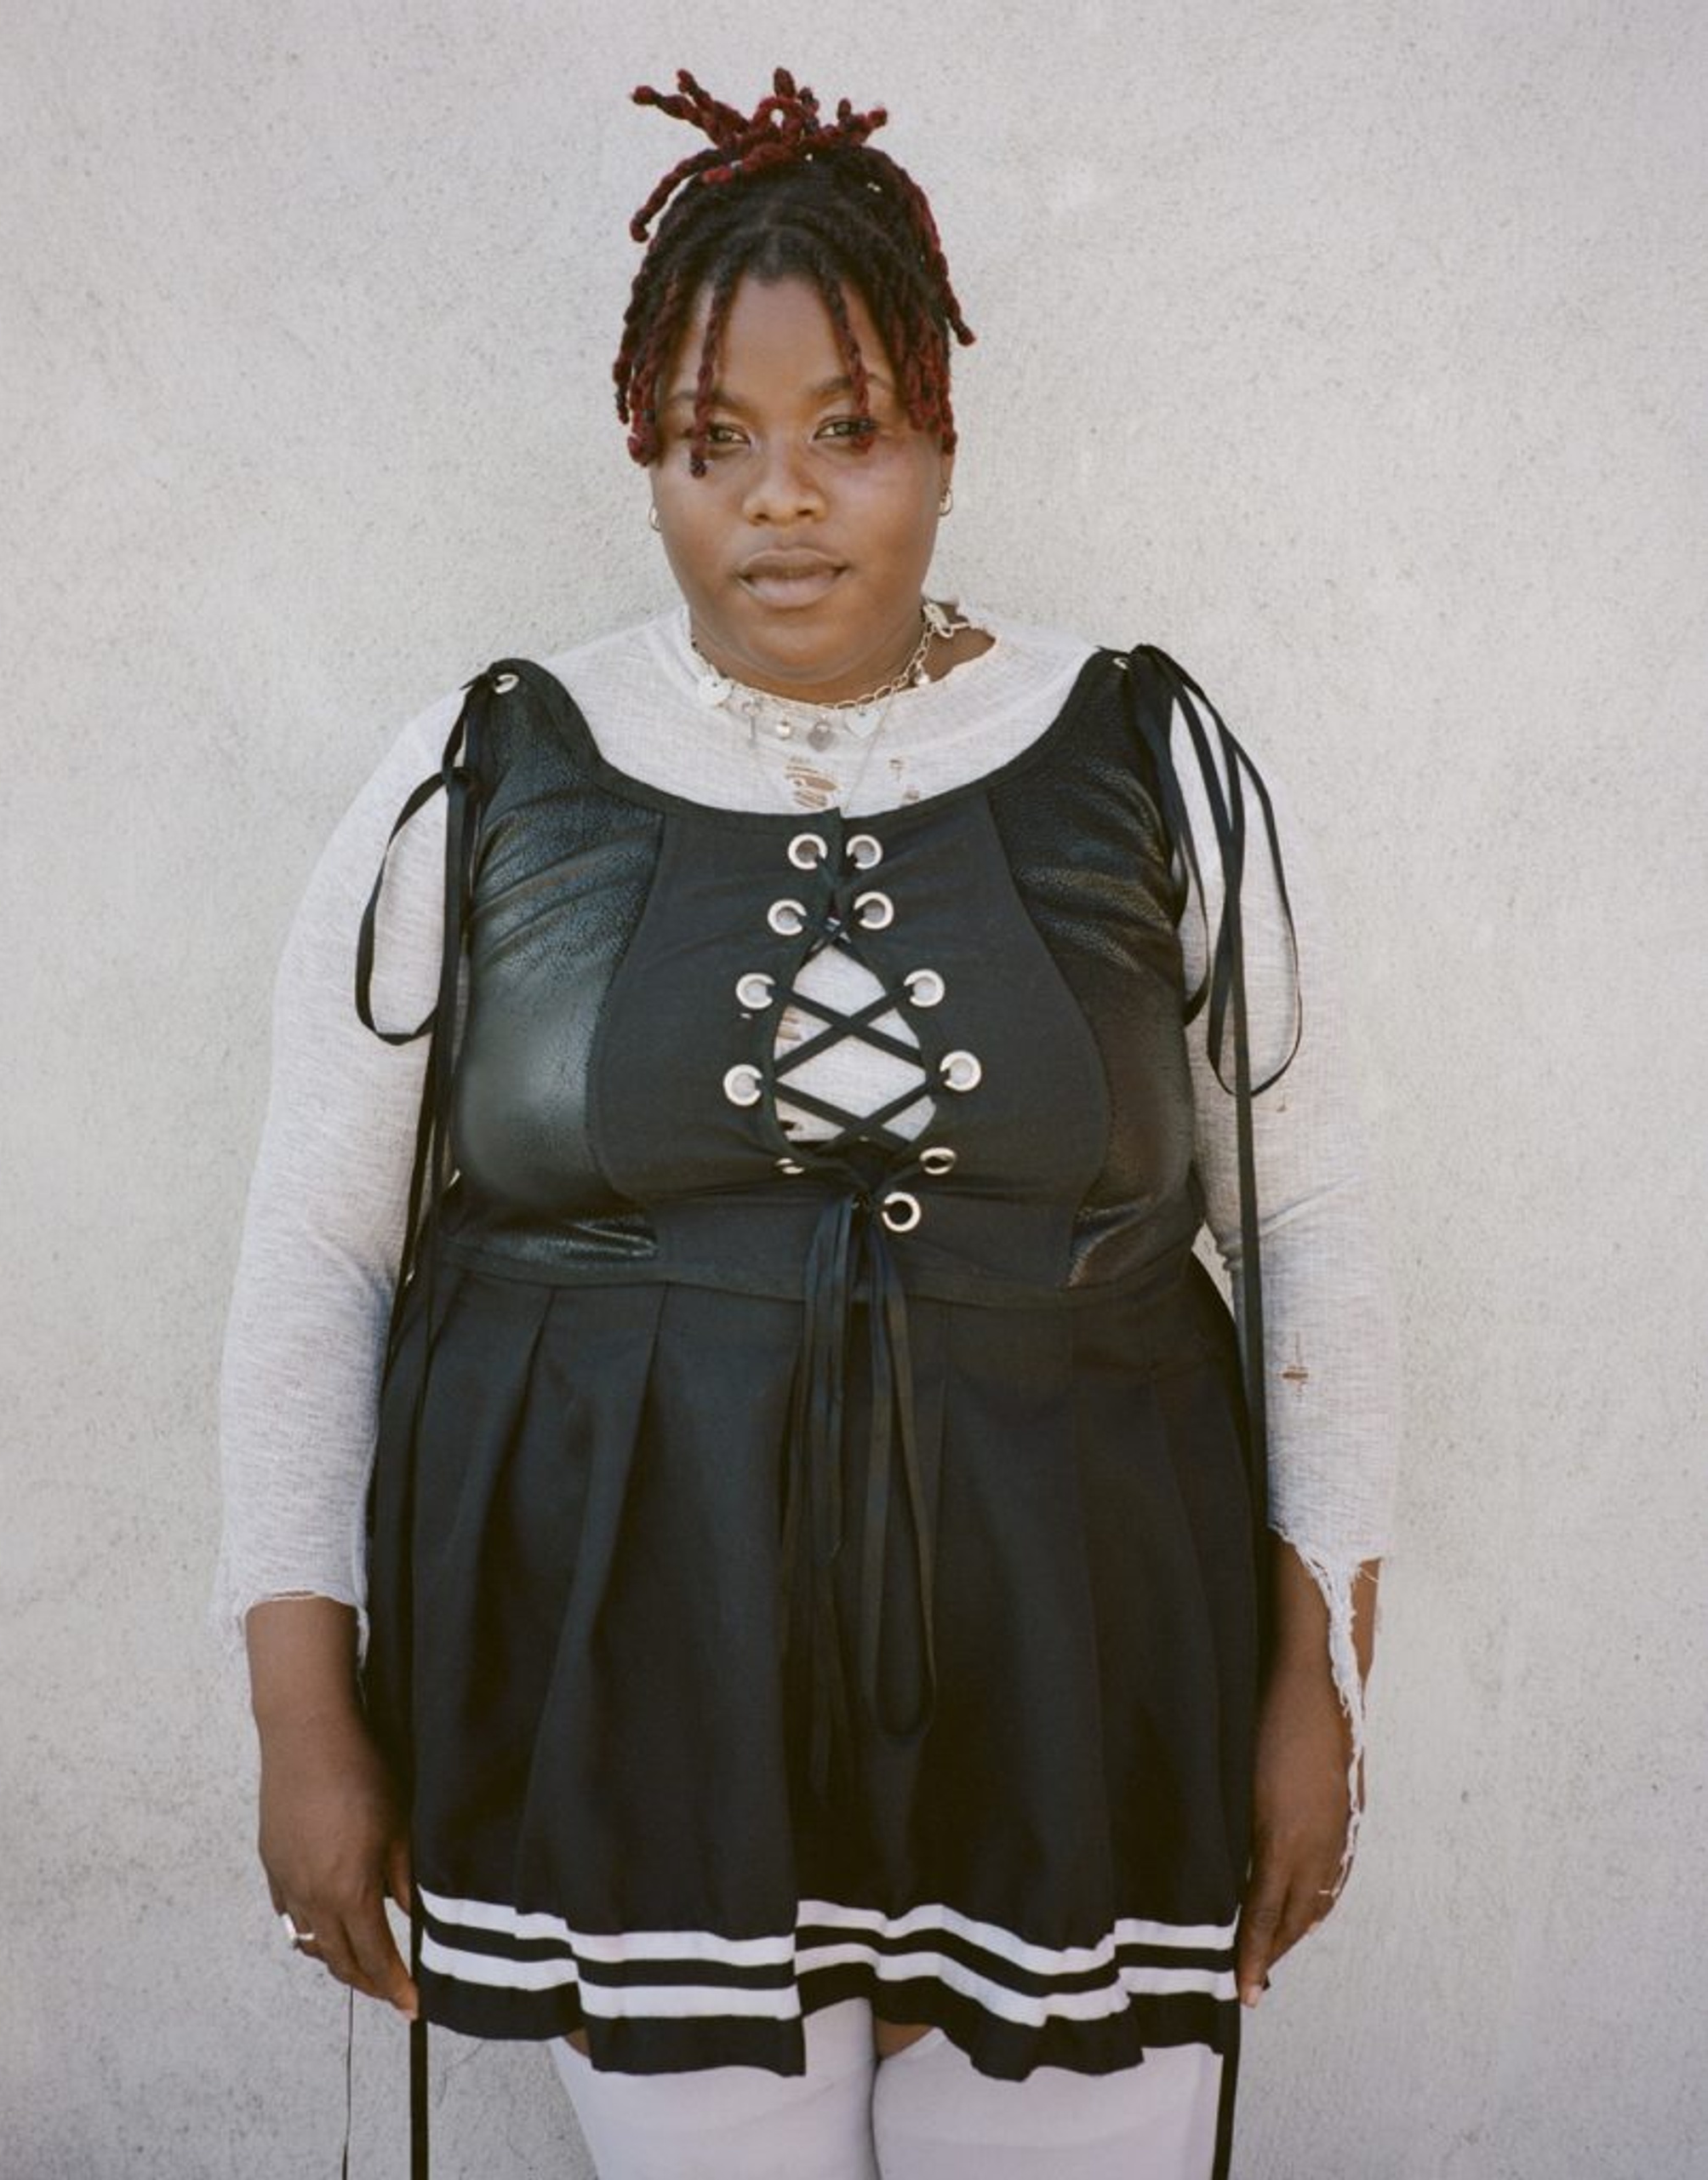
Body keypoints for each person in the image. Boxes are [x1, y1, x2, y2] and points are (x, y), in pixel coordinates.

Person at [216, 66, 1397, 2180]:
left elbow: (1312, 1226)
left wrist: (1319, 1680)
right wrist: (304, 1714)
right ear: (645, 463)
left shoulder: (1149, 755)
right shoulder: (486, 768)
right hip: (630, 1679)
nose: (781, 500)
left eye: (844, 431)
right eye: (712, 443)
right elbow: (320, 1246)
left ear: (942, 429)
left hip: (1083, 1670)